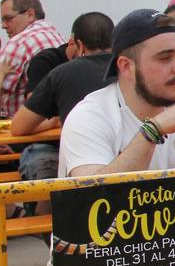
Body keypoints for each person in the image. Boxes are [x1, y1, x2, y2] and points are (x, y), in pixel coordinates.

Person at [58, 9, 175, 177]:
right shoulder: (90, 117)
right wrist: (153, 131)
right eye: (165, 58)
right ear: (126, 66)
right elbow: (91, 197)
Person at [10, 13, 114, 184]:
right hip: (130, 157)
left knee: (39, 161)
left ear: (79, 45)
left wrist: (53, 121)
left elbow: (19, 126)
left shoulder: (63, 73)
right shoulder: (131, 68)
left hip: (77, 163)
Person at [0, 0, 66, 120]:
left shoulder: (19, 42)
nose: (3, 25)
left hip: (24, 129)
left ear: (30, 14)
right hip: (59, 123)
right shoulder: (58, 36)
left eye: (8, 18)